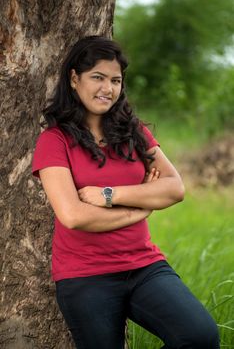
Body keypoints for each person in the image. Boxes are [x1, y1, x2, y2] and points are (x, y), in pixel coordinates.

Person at [32, 35, 219, 349]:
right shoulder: (55, 140)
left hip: (144, 266)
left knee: (200, 337)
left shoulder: (133, 131)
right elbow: (74, 216)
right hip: (85, 276)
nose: (108, 88)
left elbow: (174, 187)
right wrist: (142, 207)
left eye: (115, 80)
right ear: (74, 79)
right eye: (98, 78)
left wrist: (110, 195)